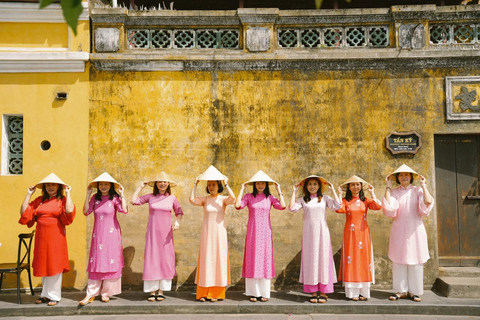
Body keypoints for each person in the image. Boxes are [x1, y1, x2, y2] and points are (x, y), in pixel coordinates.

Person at [19, 173, 75, 306]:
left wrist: (68, 193)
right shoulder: (39, 200)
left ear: (58, 187)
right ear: (45, 187)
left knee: (54, 264)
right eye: (48, 185)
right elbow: (23, 212)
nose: (50, 187)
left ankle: (54, 296)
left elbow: (69, 211)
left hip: (56, 236)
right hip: (41, 236)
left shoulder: (62, 200)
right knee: (43, 264)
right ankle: (45, 295)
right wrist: (29, 194)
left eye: (53, 185)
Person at [382, 164, 434, 303]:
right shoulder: (393, 192)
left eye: (406, 175)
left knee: (416, 259)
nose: (403, 177)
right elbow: (389, 208)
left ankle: (415, 292)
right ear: (397, 178)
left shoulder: (417, 191)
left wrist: (423, 185)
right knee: (399, 259)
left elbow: (427, 203)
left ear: (411, 177)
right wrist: (387, 186)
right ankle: (400, 291)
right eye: (400, 175)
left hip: (415, 230)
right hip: (399, 230)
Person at [131, 172, 184, 302]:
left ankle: (161, 291)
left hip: (166, 235)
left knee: (165, 259)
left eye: (165, 182)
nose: (162, 184)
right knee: (152, 258)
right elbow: (133, 201)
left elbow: (179, 212)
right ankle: (152, 291)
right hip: (152, 233)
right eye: (160, 181)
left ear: (168, 184)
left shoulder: (172, 198)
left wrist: (177, 222)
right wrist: (140, 187)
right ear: (156, 184)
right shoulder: (150, 197)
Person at [288, 175, 341, 303]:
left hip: (323, 233)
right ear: (306, 187)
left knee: (323, 260)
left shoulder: (325, 199)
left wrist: (333, 190)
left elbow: (338, 206)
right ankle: (312, 291)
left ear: (319, 186)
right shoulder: (303, 200)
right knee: (311, 260)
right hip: (309, 234)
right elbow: (291, 208)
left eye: (315, 184)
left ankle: (323, 291)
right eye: (310, 184)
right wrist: (294, 192)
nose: (312, 186)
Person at [235, 170, 286, 302]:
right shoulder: (248, 197)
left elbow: (283, 206)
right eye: (258, 182)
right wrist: (241, 189)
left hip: (265, 233)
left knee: (264, 260)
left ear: (266, 184)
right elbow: (237, 206)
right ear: (254, 184)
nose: (260, 185)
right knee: (253, 259)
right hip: (252, 232)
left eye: (263, 182)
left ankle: (264, 293)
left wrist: (278, 189)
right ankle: (253, 292)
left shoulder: (270, 198)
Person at [79, 172, 128, 306]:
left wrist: (122, 195)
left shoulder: (115, 198)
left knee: (110, 260)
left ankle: (106, 292)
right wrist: (88, 194)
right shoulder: (95, 198)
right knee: (97, 260)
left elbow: (124, 210)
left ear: (111, 186)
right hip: (98, 235)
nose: (104, 186)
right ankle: (91, 293)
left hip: (112, 235)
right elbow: (86, 211)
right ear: (98, 186)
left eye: (106, 184)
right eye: (101, 184)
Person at [190, 165, 235, 302]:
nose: (211, 187)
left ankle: (216, 293)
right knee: (206, 260)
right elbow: (192, 200)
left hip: (220, 233)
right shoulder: (205, 199)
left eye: (214, 184)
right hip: (207, 233)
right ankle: (203, 293)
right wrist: (195, 184)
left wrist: (226, 183)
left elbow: (233, 199)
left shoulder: (223, 199)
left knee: (218, 260)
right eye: (209, 185)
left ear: (218, 186)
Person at [336, 175, 381, 301]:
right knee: (351, 259)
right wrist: (339, 194)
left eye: (357, 184)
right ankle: (352, 292)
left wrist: (372, 193)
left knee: (363, 260)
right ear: (349, 187)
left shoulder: (365, 200)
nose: (355, 187)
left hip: (363, 233)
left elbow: (378, 206)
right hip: (350, 234)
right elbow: (339, 209)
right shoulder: (346, 201)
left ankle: (364, 292)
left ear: (361, 186)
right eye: (352, 185)